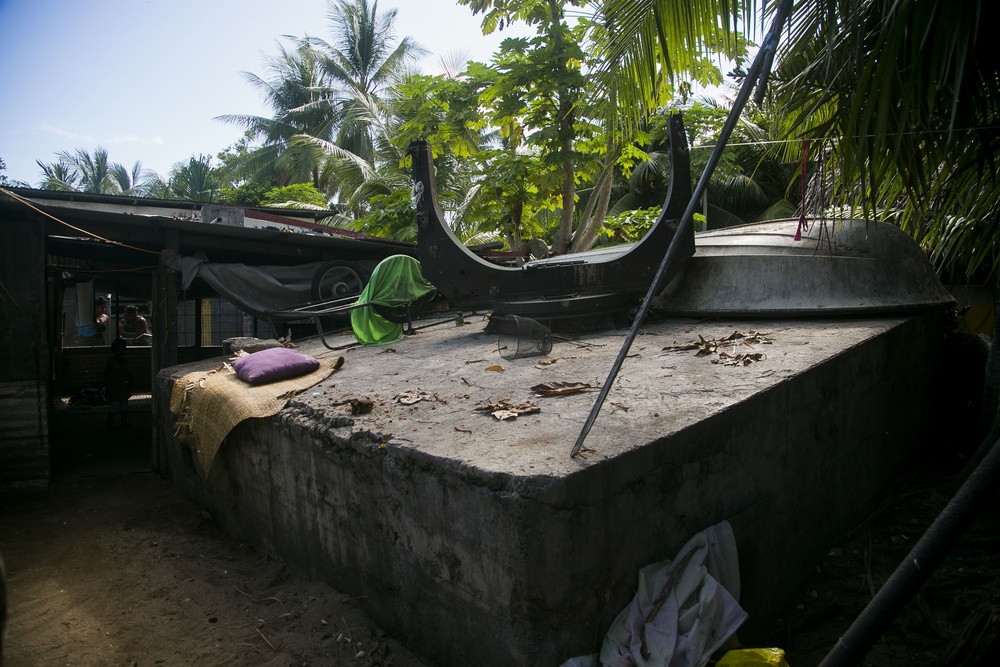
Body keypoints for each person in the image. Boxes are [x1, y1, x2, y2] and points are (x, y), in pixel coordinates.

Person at [104, 337, 133, 429]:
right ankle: (111, 424)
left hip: (122, 385)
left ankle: (121, 422)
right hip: (115, 385)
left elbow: (126, 373)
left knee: (123, 403)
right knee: (115, 403)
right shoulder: (112, 361)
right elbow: (107, 375)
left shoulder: (121, 361)